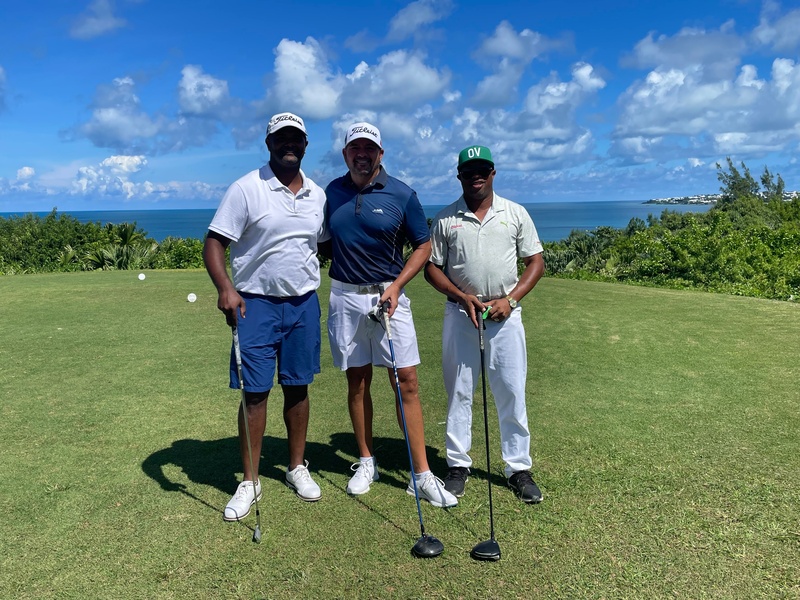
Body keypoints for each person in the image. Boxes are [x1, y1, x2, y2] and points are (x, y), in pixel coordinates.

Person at [323, 122, 457, 508]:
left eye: (369, 148)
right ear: (345, 154)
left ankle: (422, 475)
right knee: (357, 380)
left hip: (389, 296)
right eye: (355, 148)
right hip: (345, 296)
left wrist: (397, 285)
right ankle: (367, 462)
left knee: (406, 381)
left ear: (381, 154)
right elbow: (323, 241)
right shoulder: (331, 192)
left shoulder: (402, 194)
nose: (362, 155)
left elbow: (422, 246)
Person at [203, 112, 327, 521]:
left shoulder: (317, 194)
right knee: (254, 393)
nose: (289, 145)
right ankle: (250, 479)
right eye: (281, 138)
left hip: (303, 303)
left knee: (298, 387)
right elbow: (215, 242)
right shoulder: (246, 188)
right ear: (269, 143)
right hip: (255, 304)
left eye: (296, 139)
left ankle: (296, 467)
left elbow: (322, 243)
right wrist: (226, 288)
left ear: (305, 145)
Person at [424, 144, 546, 503]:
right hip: (460, 315)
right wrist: (461, 297)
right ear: (459, 176)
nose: (475, 176)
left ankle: (518, 468)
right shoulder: (445, 219)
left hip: (505, 317)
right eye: (468, 171)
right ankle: (457, 465)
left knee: (511, 391)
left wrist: (511, 300)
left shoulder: (515, 212)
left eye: (482, 170)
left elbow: (536, 261)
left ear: (492, 173)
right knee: (459, 392)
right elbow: (432, 268)